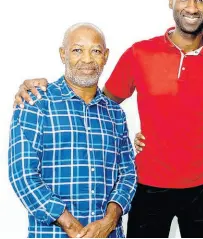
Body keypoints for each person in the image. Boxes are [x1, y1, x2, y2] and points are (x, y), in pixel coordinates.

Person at [12, 0, 203, 238]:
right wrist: (38, 86)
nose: (191, 7)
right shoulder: (139, 53)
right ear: (170, 1)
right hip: (149, 183)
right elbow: (96, 104)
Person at [8, 23, 137, 238]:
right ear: (63, 54)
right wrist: (72, 228)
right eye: (77, 50)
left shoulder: (115, 114)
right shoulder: (36, 104)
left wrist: (109, 221)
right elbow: (22, 175)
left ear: (105, 56)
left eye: (95, 51)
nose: (87, 59)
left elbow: (127, 173)